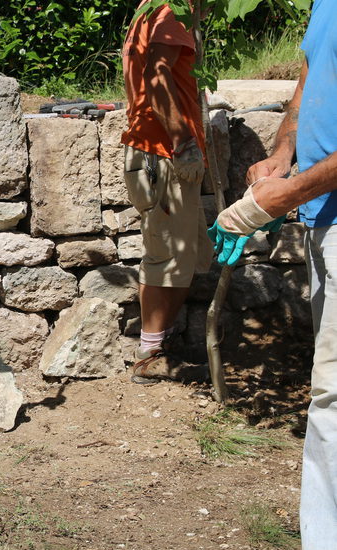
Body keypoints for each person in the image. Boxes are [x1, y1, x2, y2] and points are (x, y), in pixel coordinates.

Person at [207, 1, 337, 545]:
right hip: (326, 220)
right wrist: (284, 153)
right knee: (331, 396)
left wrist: (283, 195)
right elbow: (311, 76)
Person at [120, 1, 213, 384]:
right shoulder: (171, 9)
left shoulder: (152, 7)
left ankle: (159, 344)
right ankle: (149, 355)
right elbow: (157, 77)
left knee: (189, 254)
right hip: (165, 153)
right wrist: (182, 140)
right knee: (168, 257)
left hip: (162, 153)